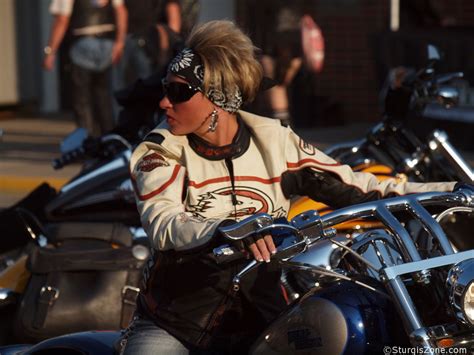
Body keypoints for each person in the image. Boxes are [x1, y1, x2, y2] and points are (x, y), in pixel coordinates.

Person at [122, 20, 456, 354]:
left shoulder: (275, 144)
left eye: (178, 92)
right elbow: (164, 224)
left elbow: (361, 187)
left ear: (218, 98)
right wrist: (227, 229)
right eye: (166, 89)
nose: (165, 102)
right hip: (178, 325)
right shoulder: (160, 151)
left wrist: (452, 190)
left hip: (262, 320)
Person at [43, 0, 127, 137]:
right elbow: (121, 11)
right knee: (105, 97)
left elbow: (62, 20)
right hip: (107, 45)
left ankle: (86, 138)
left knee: (82, 99)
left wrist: (50, 51)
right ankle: (110, 138)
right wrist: (120, 42)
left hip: (81, 46)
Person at [112, 0, 182, 93]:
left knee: (124, 85)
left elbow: (173, 17)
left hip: (144, 40)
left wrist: (120, 41)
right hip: (146, 40)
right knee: (145, 83)